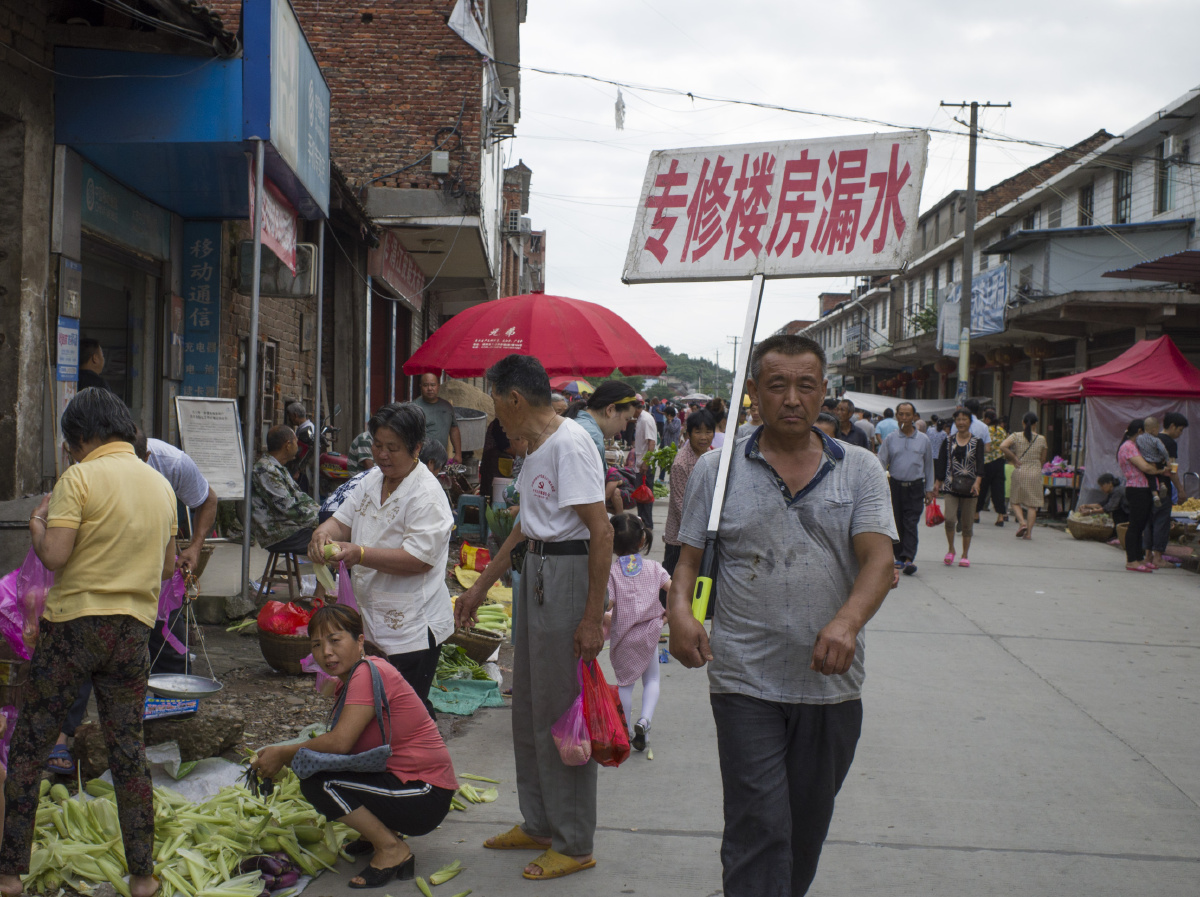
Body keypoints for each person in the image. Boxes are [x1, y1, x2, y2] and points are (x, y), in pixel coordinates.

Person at [668, 334, 896, 897]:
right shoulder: (717, 471)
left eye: (805, 385)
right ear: (754, 394)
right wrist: (681, 614)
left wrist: (846, 623)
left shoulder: (860, 469)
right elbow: (686, 560)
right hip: (744, 677)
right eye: (777, 385)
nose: (791, 398)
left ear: (824, 394)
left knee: (804, 830)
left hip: (831, 685)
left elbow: (879, 559)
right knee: (759, 825)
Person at [1, 387, 177, 897]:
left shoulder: (78, 478)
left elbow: (54, 556)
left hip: (75, 629)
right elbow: (167, 567)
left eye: (70, 444)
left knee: (31, 747)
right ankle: (143, 876)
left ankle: (10, 874)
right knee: (128, 754)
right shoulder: (160, 485)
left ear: (80, 437)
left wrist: (37, 525)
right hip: (131, 634)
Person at [454, 354, 611, 882]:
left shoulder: (570, 444)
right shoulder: (536, 447)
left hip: (564, 578)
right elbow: (524, 528)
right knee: (529, 708)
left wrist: (592, 616)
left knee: (561, 711)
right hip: (536, 574)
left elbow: (601, 532)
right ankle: (540, 822)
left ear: (514, 399)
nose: (494, 414)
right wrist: (479, 586)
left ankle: (573, 840)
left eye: (495, 401)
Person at [45, 424, 223, 774]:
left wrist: (195, 547)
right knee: (82, 654)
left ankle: (172, 716)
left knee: (165, 640)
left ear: (146, 457)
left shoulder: (170, 466)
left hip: (152, 572)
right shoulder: (87, 472)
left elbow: (207, 501)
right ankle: (64, 736)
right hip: (98, 576)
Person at [250, 605, 457, 889]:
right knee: (319, 769)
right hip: (411, 785)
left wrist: (283, 752)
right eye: (317, 645)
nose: (326, 652)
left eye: (335, 640)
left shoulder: (368, 672)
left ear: (359, 641)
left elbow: (339, 743)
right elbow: (349, 750)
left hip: (425, 794)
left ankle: (392, 849)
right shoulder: (350, 681)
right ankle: (377, 834)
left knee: (318, 783)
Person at [308, 403, 454, 718]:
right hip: (372, 619)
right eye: (377, 445)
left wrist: (359, 553)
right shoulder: (374, 478)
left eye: (393, 448)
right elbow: (342, 520)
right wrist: (323, 533)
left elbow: (419, 559)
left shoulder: (426, 495)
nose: (382, 455)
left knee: (404, 714)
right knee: (372, 709)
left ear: (416, 449)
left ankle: (414, 766)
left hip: (412, 627)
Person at [606, 515, 671, 753]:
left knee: (625, 683)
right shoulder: (654, 568)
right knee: (652, 679)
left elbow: (608, 604)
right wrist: (668, 615)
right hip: (650, 633)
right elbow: (673, 589)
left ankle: (626, 730)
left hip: (624, 637)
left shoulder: (613, 573)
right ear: (643, 539)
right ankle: (644, 720)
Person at [877, 402, 935, 576]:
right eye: (901, 414)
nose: (904, 418)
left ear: (914, 417)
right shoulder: (890, 439)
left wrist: (929, 489)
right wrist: (878, 485)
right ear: (896, 416)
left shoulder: (923, 440)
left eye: (907, 415)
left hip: (915, 487)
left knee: (911, 522)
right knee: (896, 522)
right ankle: (899, 557)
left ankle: (909, 558)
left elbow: (929, 466)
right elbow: (880, 462)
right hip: (894, 486)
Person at [663, 409, 716, 594]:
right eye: (698, 432)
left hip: (706, 536)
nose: (704, 437)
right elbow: (680, 506)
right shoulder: (681, 464)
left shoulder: (713, 456)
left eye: (708, 431)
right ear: (688, 434)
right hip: (681, 539)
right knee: (675, 594)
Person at [251, 425, 321, 554]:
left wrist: (323, 513)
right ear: (288, 445)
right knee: (332, 538)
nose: (297, 446)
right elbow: (289, 508)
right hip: (279, 533)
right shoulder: (265, 469)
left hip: (291, 526)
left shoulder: (277, 467)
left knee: (331, 531)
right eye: (296, 442)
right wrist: (320, 519)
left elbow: (300, 498)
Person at [935, 407, 985, 567]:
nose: (961, 422)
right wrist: (937, 483)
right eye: (958, 419)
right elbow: (942, 462)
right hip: (951, 485)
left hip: (971, 487)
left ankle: (965, 554)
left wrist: (978, 482)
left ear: (970, 422)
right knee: (949, 519)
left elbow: (980, 465)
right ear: (955, 422)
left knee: (967, 523)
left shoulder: (977, 442)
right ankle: (951, 550)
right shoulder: (948, 440)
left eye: (964, 419)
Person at [1115, 419, 1163, 573]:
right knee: (1135, 525)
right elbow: (1145, 467)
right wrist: (1160, 470)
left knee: (1141, 524)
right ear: (1141, 432)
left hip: (1144, 488)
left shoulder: (1136, 446)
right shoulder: (1128, 447)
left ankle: (1139, 558)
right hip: (1137, 489)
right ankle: (1131, 560)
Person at [1000, 412, 1047, 541]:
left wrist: (1014, 458)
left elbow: (1003, 446)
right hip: (1035, 472)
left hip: (1019, 470)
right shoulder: (1042, 439)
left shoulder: (1016, 436)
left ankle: (1022, 523)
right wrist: (1037, 466)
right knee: (1032, 505)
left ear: (1022, 423)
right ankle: (1029, 534)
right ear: (1036, 424)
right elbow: (1043, 459)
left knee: (1015, 501)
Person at [1140, 417, 1174, 568]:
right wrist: (1168, 462)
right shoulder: (1160, 441)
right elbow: (1165, 454)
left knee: (1148, 519)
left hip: (1145, 474)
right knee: (1161, 520)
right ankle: (1158, 557)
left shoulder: (1139, 439)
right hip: (1160, 469)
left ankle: (1147, 555)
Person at [415, 373, 461, 463]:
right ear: (420, 386)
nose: (429, 389)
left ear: (438, 386)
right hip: (420, 459)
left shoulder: (447, 407)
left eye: (433, 385)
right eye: (425, 385)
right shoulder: (414, 407)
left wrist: (458, 454)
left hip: (441, 458)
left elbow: (454, 429)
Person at [631, 396, 658, 530]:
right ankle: (642, 522)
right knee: (640, 497)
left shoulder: (646, 419)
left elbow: (651, 442)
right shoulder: (640, 418)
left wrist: (646, 462)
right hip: (640, 464)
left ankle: (647, 524)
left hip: (645, 465)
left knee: (645, 497)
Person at [981, 408, 1009, 526]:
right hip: (999, 462)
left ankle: (976, 515)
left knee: (982, 488)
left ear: (987, 419)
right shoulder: (1003, 431)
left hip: (986, 462)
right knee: (998, 490)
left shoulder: (985, 430)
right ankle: (1001, 516)